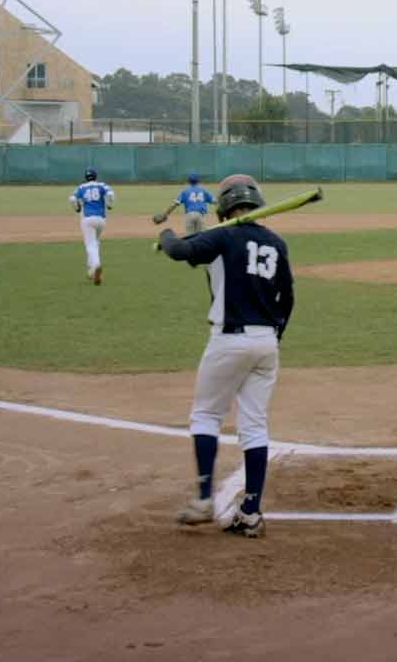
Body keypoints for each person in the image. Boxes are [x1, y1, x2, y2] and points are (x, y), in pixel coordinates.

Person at [157, 174, 294, 539]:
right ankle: (250, 511)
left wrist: (166, 236)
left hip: (228, 339)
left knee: (206, 415)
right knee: (254, 425)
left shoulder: (221, 236)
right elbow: (288, 300)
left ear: (224, 209)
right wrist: (273, 334)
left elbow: (179, 252)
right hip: (267, 342)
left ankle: (204, 499)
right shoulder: (276, 244)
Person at [70, 169, 114, 285]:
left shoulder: (81, 187)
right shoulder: (102, 185)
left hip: (88, 219)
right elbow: (110, 194)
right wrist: (109, 205)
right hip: (101, 220)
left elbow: (72, 198)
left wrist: (77, 208)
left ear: (85, 177)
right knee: (96, 242)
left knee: (90, 245)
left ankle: (96, 266)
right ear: (96, 176)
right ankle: (91, 271)